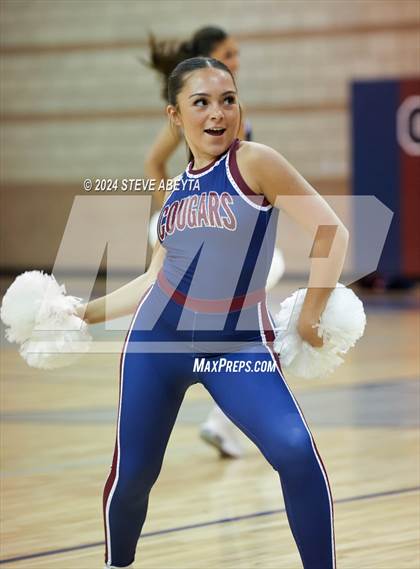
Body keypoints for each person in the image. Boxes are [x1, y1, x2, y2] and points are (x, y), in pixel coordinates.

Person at [77, 56, 348, 569]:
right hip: (157, 345)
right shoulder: (176, 193)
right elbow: (154, 278)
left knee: (294, 450)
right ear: (175, 115)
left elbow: (331, 231)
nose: (217, 113)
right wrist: (82, 313)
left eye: (228, 99)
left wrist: (311, 313)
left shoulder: (254, 162)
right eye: (200, 102)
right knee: (134, 475)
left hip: (236, 346)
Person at [144, 26, 266, 458]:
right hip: (198, 225)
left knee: (248, 321)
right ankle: (210, 413)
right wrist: (171, 210)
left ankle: (219, 416)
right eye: (228, 53)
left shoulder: (227, 107)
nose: (236, 60)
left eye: (236, 53)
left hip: (225, 227)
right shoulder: (197, 112)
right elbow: (153, 162)